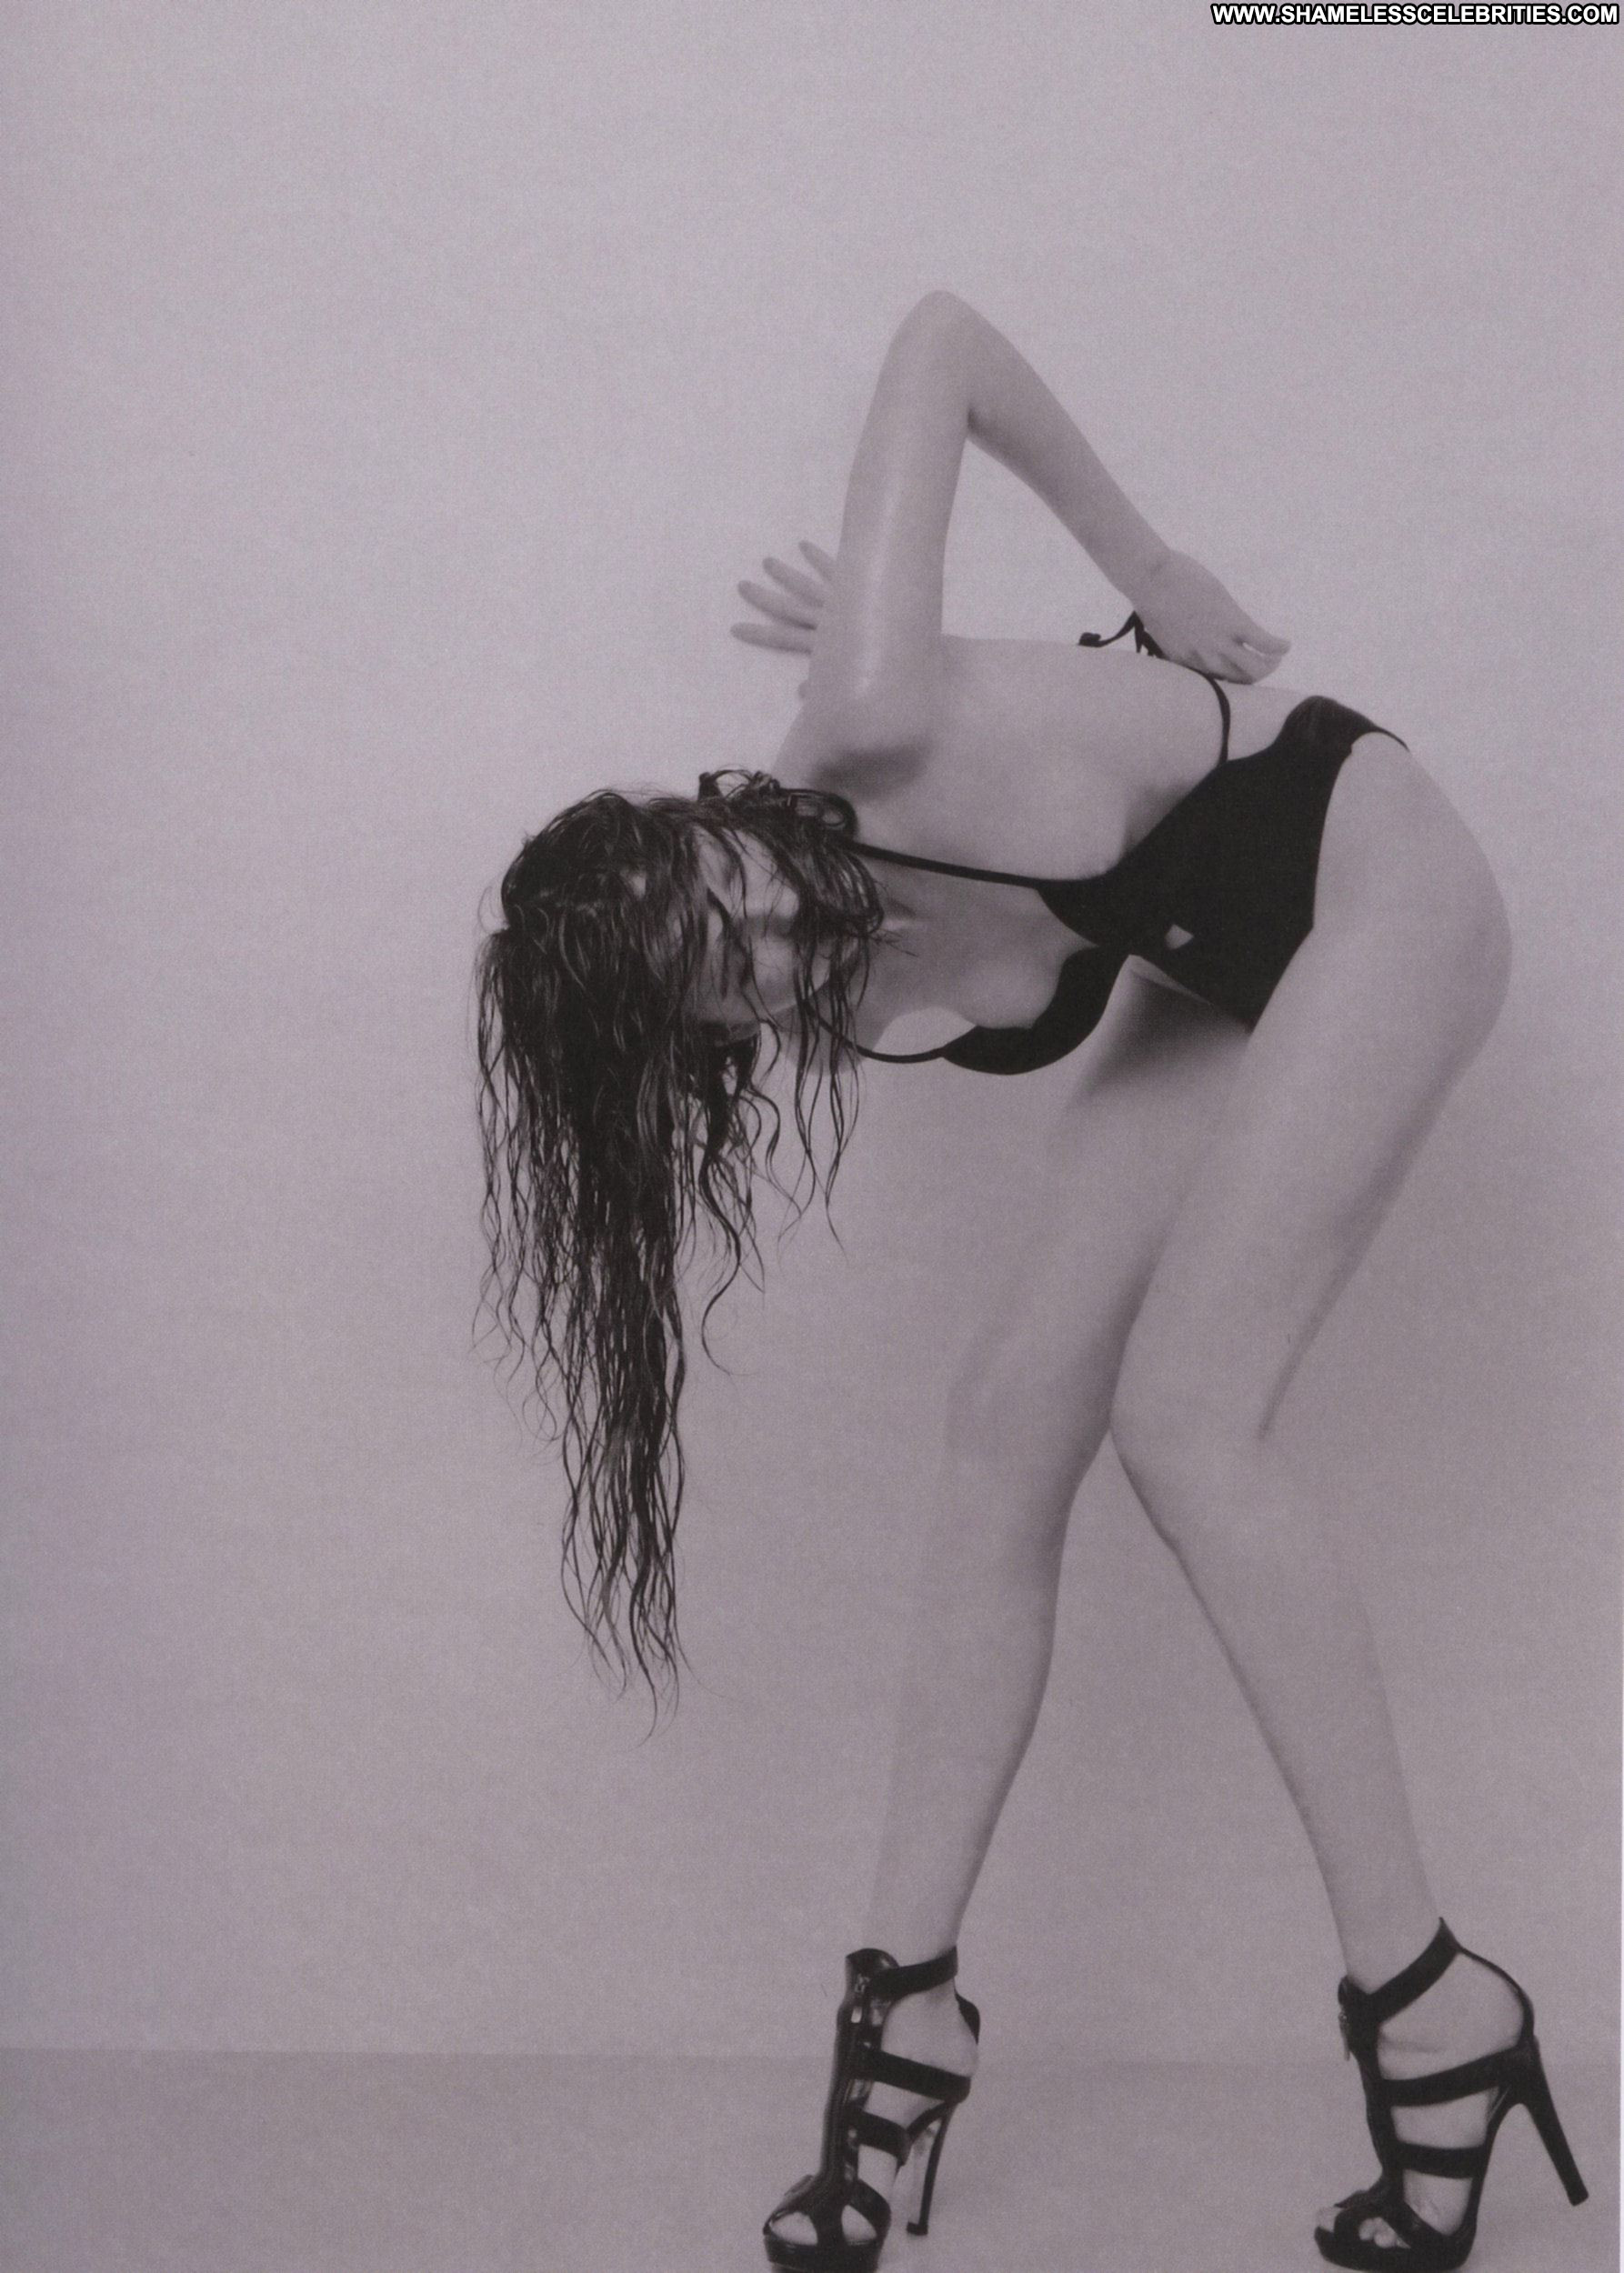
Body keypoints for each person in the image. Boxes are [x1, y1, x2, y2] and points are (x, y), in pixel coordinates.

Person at [473, 293, 1587, 2272]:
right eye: (727, 995)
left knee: (1186, 1419)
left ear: (702, 816)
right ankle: (903, 2009)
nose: (773, 952)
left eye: (730, 898)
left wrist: (1144, 578)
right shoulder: (806, 992)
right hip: (1209, 969)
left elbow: (943, 339)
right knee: (1003, 1428)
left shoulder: (867, 718)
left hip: (1372, 874)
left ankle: (1431, 2002)